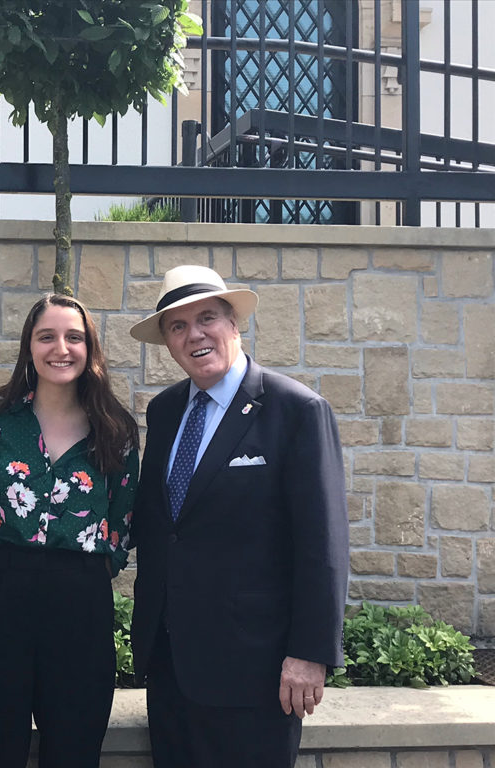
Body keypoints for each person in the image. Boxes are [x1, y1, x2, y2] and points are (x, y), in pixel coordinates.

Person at [127, 265, 349, 768]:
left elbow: (323, 544)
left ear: (234, 324)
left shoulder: (296, 410)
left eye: (207, 318)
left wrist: (310, 652)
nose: (194, 335)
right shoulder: (164, 411)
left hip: (257, 671)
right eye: (178, 326)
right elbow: (161, 523)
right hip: (170, 666)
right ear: (167, 343)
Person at [0, 293, 139, 768]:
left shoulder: (115, 429)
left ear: (90, 348)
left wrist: (72, 579)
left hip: (80, 604)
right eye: (47, 336)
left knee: (75, 748)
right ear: (29, 346)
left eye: (74, 337)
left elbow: (120, 527)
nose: (61, 348)